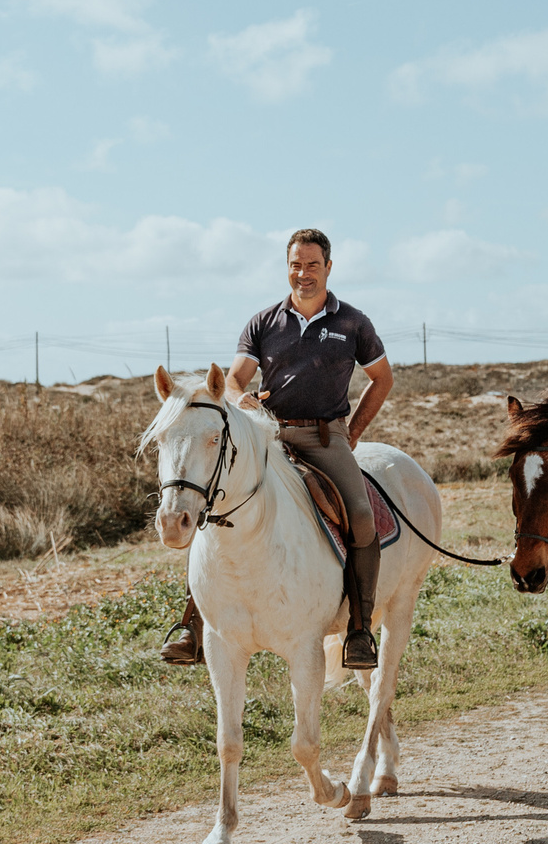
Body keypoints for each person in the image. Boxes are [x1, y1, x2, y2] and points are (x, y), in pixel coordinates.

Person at [159, 228, 395, 670]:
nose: (302, 273)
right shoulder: (264, 321)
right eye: (294, 265)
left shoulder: (352, 323)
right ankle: (193, 625)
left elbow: (383, 379)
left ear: (328, 267)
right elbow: (233, 380)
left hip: (325, 439)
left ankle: (359, 630)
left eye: (311, 264)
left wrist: (355, 432)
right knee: (213, 503)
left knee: (362, 519)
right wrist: (239, 397)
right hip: (268, 437)